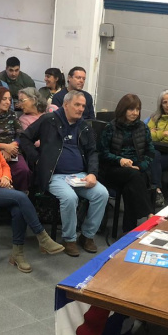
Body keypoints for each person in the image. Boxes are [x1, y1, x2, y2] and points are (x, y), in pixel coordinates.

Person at [0, 110, 64, 273]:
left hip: (0, 187)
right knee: (21, 197)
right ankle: (42, 236)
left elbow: (4, 165)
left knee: (18, 208)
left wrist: (6, 178)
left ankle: (17, 254)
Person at [21, 90, 108, 257]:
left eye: (83, 106)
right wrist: (38, 159)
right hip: (54, 175)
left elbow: (92, 152)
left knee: (102, 194)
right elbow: (25, 138)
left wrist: (92, 173)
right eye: (77, 104)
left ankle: (87, 236)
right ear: (66, 104)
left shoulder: (84, 126)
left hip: (79, 175)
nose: (81, 109)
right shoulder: (49, 120)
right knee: (70, 197)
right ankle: (69, 239)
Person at [98, 94, 155, 234]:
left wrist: (140, 166)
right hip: (113, 169)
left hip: (136, 169)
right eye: (131, 109)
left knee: (132, 184)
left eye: (137, 109)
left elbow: (150, 152)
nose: (135, 113)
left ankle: (128, 232)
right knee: (135, 177)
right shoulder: (111, 127)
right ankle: (149, 214)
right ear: (123, 109)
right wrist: (119, 160)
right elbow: (102, 153)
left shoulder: (143, 127)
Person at [0, 87, 33, 193]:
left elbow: (21, 134)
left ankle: (22, 195)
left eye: (9, 99)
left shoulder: (12, 114)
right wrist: (4, 147)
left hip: (12, 150)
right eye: (4, 99)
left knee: (23, 170)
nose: (8, 102)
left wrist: (12, 145)